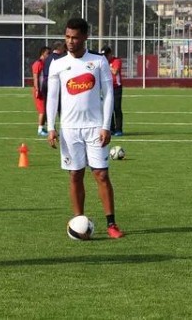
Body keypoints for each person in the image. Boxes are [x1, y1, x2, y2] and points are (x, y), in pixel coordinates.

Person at [46, 17, 124, 239]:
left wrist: (106, 126)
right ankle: (78, 221)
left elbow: (108, 94)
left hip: (94, 128)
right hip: (69, 130)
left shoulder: (98, 62)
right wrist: (51, 127)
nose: (70, 41)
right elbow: (52, 97)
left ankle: (111, 224)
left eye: (75, 37)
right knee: (75, 175)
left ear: (85, 37)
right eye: (67, 37)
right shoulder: (57, 63)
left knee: (101, 174)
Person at [101, 46, 123, 136]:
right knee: (108, 108)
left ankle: (119, 129)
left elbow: (115, 72)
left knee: (116, 108)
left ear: (110, 54)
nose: (105, 57)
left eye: (106, 55)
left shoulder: (116, 61)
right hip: (106, 87)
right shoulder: (102, 62)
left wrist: (107, 65)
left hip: (116, 87)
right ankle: (111, 129)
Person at [31, 46, 51, 136]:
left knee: (46, 110)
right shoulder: (37, 64)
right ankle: (40, 130)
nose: (49, 55)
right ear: (43, 53)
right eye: (48, 53)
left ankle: (44, 128)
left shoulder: (44, 63)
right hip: (39, 90)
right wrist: (37, 89)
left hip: (44, 90)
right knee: (42, 110)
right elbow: (36, 77)